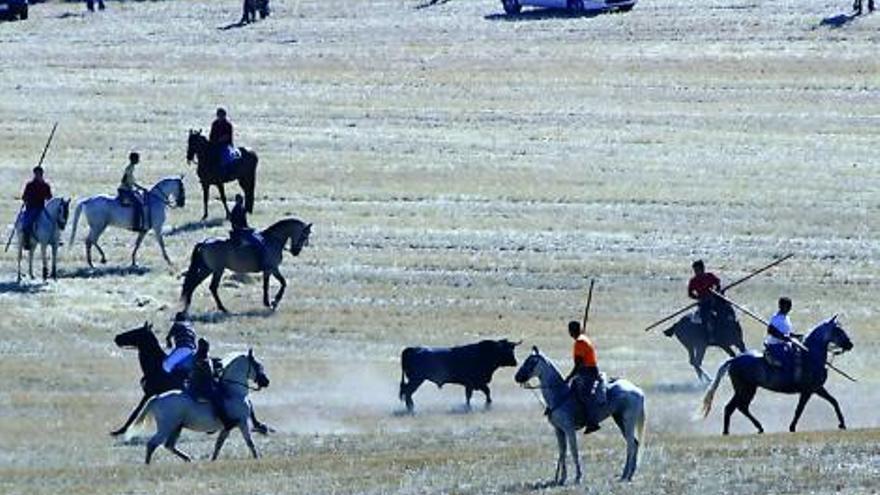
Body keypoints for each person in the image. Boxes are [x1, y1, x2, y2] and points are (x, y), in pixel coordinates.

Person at [563, 320, 605, 434]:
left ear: (572, 331)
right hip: (585, 370)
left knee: (585, 395)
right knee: (572, 391)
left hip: (588, 372)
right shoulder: (582, 339)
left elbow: (578, 364)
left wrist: (569, 376)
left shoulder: (580, 342)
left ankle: (592, 422)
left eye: (570, 330)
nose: (569, 333)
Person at [187, 338, 236, 429]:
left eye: (207, 346)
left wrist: (218, 362)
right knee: (217, 396)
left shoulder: (204, 356)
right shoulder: (199, 359)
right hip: (199, 387)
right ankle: (225, 421)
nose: (207, 348)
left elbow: (211, 361)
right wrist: (216, 376)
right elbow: (208, 375)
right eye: (206, 346)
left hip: (205, 384)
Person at [229, 194, 269, 270]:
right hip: (240, 232)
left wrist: (248, 228)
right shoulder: (236, 209)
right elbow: (233, 222)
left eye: (241, 200)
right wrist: (242, 228)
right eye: (240, 200)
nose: (241, 201)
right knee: (258, 243)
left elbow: (244, 222)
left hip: (243, 230)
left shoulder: (242, 209)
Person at [688, 259, 722, 340]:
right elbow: (690, 294)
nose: (696, 272)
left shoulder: (709, 276)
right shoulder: (693, 281)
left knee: (727, 310)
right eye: (695, 270)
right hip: (703, 303)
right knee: (706, 317)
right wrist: (699, 298)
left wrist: (716, 292)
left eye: (697, 270)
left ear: (702, 269)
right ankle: (710, 336)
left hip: (714, 300)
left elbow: (718, 283)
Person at [20, 166, 52, 249]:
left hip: (41, 208)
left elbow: (49, 197)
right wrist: (27, 199)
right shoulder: (30, 185)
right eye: (37, 174)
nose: (39, 175)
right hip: (31, 208)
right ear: (34, 174)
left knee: (52, 221)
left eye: (40, 174)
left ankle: (55, 238)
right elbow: (24, 197)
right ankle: (26, 241)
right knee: (27, 224)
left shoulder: (45, 185)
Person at [764, 297, 798, 375]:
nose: (789, 309)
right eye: (788, 306)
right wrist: (783, 337)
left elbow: (787, 332)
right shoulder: (776, 318)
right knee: (788, 361)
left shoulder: (786, 318)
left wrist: (794, 335)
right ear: (781, 306)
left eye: (790, 306)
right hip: (775, 345)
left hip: (784, 344)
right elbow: (770, 331)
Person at [163, 312, 197, 378]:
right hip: (192, 350)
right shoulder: (191, 327)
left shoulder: (176, 325)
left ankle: (172, 379)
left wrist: (169, 344)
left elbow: (168, 338)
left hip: (182, 348)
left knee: (166, 364)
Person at [118, 152, 146, 231]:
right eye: (137, 159)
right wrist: (130, 189)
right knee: (138, 204)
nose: (138, 160)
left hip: (128, 189)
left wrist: (141, 188)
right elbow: (123, 180)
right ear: (133, 159)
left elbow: (132, 182)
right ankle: (135, 226)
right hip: (125, 190)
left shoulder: (131, 168)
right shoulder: (129, 168)